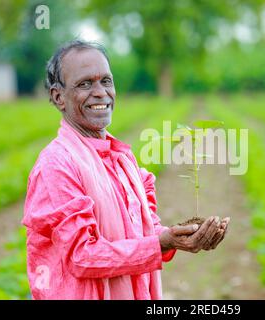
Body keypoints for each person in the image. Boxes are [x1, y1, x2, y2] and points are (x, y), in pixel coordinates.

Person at [21, 40, 229, 300]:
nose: (100, 92)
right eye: (85, 84)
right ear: (58, 97)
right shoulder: (57, 165)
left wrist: (175, 236)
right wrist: (162, 243)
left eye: (105, 81)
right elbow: (82, 256)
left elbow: (141, 233)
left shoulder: (121, 157)